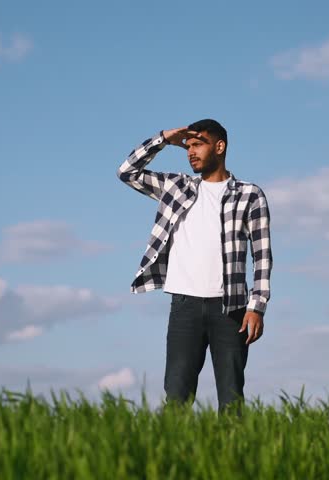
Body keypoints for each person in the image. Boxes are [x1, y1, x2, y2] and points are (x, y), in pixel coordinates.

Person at [116, 118, 273, 415]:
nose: (190, 152)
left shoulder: (250, 195)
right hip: (184, 306)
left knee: (231, 399)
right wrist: (163, 139)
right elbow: (127, 172)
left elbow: (262, 255)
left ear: (220, 146)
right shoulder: (176, 186)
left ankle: (231, 460)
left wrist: (257, 306)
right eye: (188, 146)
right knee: (176, 397)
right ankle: (176, 460)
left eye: (198, 144)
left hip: (232, 310)